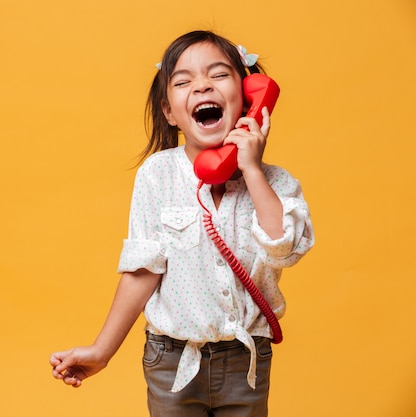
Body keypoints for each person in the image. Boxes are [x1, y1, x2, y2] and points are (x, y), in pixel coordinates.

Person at [50, 30, 315, 417]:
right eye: (184, 81)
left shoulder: (276, 183)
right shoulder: (157, 176)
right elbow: (143, 270)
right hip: (172, 358)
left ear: (250, 98)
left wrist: (252, 171)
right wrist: (101, 351)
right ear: (170, 112)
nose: (202, 85)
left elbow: (284, 248)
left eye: (219, 75)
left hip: (246, 362)